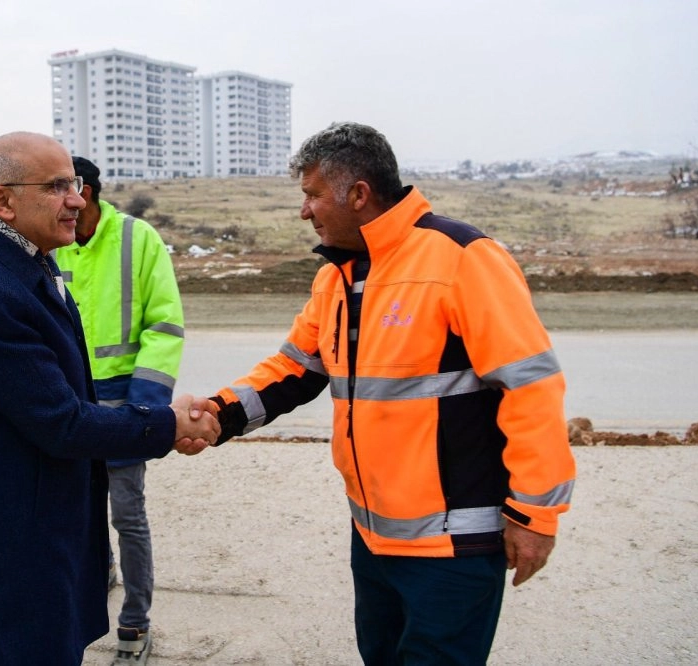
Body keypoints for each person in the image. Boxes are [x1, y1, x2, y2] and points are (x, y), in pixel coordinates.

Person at [206, 122, 576, 665]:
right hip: (373, 537)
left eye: (312, 195)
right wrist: (218, 415)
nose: (304, 210)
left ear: (359, 194)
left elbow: (532, 388)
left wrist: (535, 516)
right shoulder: (337, 277)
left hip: (454, 544)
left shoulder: (462, 257)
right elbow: (295, 369)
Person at [0, 131, 219, 665]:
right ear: (2, 201)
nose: (78, 200)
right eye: (57, 187)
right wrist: (169, 424)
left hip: (37, 523)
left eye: (74, 185)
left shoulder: (26, 260)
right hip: (9, 543)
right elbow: (62, 423)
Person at [53, 156, 183, 665]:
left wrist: (143, 414)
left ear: (85, 192)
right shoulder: (48, 241)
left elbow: (165, 325)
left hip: (126, 408)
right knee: (76, 512)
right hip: (68, 413)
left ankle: (135, 622)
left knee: (127, 516)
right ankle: (94, 583)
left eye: (65, 190)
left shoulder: (137, 239)